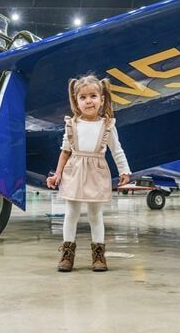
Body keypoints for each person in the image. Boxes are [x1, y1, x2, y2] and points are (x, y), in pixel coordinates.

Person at [46, 75, 131, 272]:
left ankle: (99, 255)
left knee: (95, 215)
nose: (88, 101)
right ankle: (67, 254)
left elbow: (117, 150)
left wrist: (124, 169)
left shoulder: (108, 125)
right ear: (76, 101)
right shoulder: (72, 125)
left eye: (93, 96)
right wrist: (57, 174)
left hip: (97, 172)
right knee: (71, 213)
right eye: (83, 97)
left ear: (102, 99)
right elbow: (65, 151)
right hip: (74, 170)